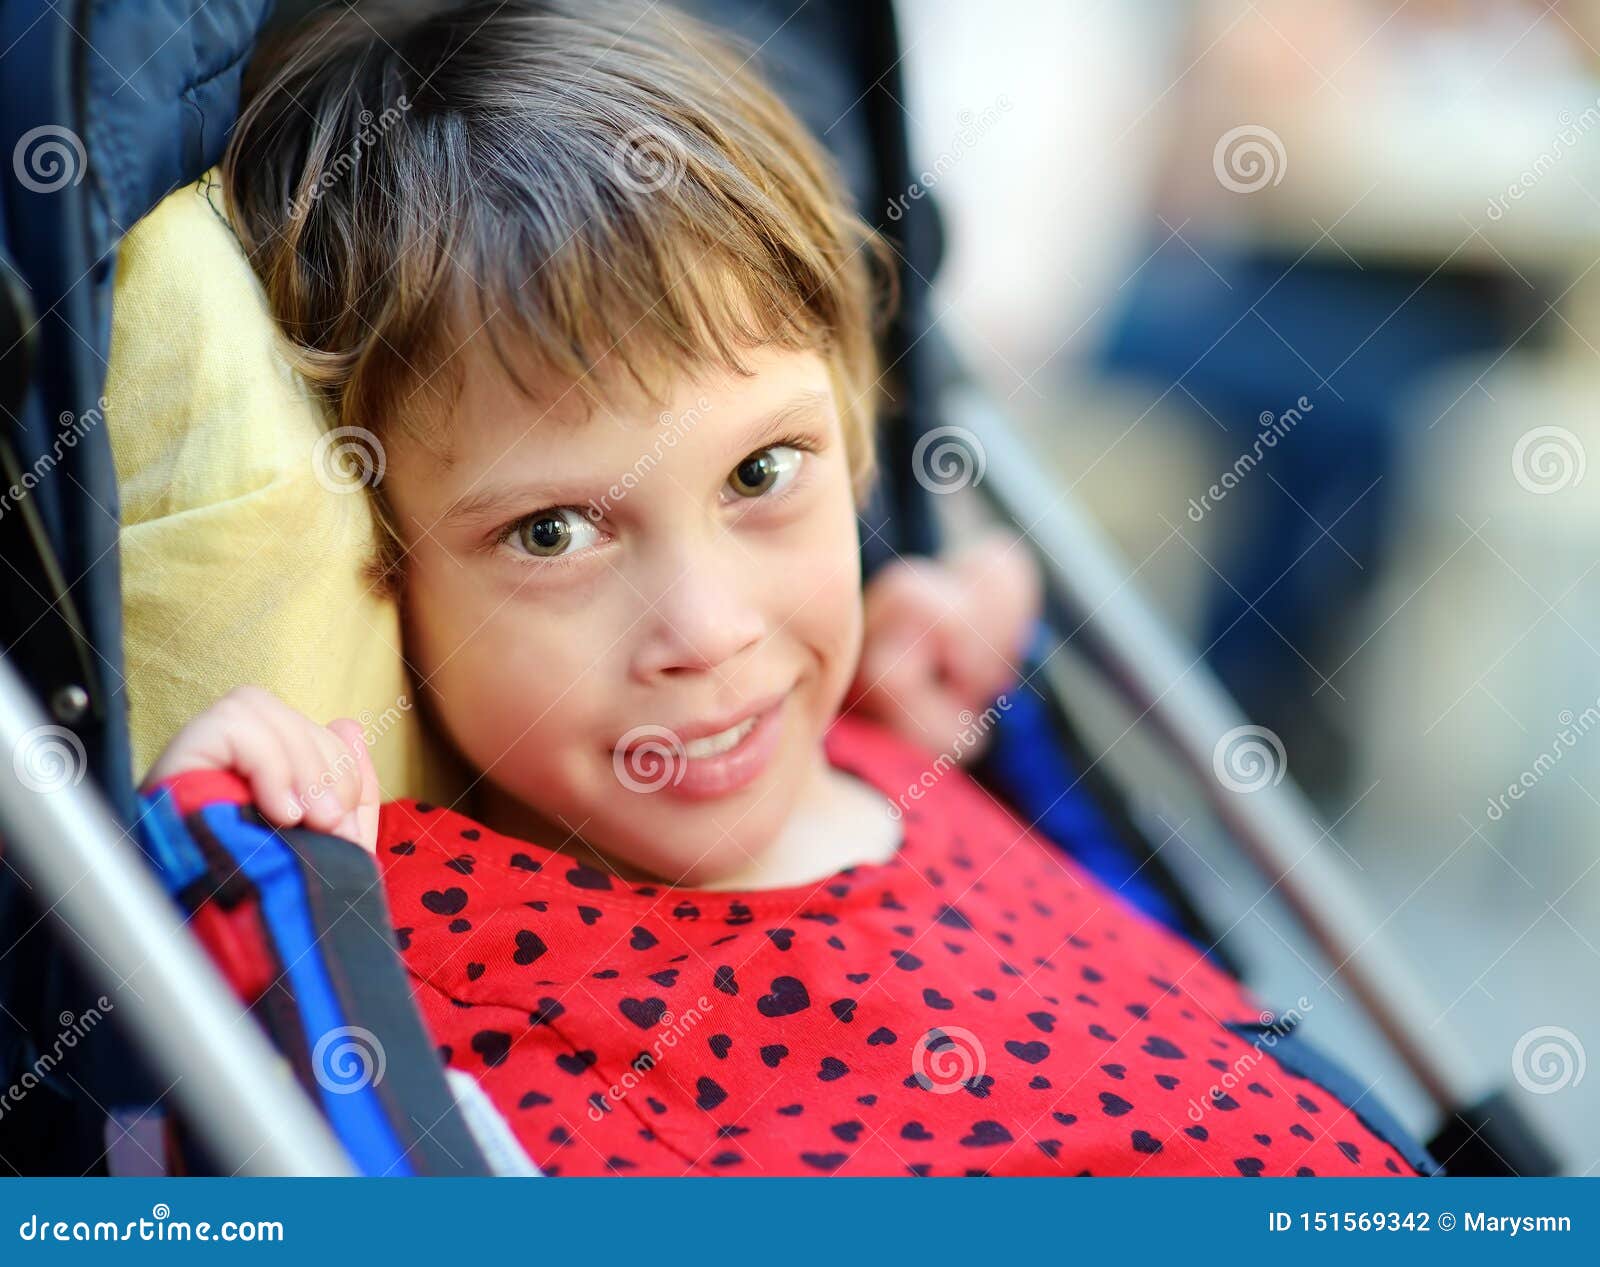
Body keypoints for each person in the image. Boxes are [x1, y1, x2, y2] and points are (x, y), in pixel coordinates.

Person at [146, 0, 1427, 1177]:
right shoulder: (387, 954)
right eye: (550, 534)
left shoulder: (914, 742)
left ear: (857, 436)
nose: (707, 631)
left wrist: (972, 734)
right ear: (386, 568)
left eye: (763, 470)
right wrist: (231, 917)